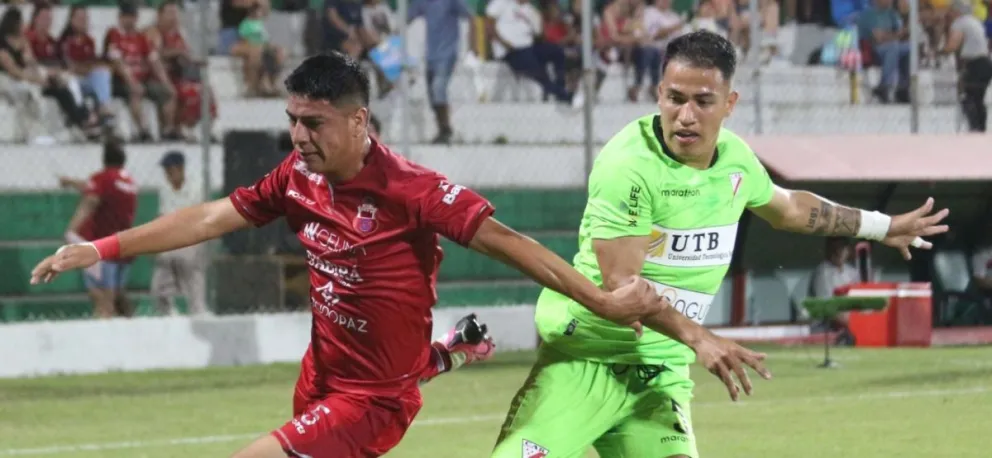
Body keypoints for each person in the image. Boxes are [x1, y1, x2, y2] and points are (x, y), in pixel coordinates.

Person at [27, 51, 729, 458]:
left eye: (315, 122)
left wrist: (602, 298)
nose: (298, 136)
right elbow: (212, 216)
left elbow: (510, 244)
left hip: (369, 402)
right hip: (323, 378)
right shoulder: (297, 178)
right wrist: (99, 246)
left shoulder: (413, 191)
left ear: (358, 119)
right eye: (292, 120)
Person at [491, 31, 949, 458]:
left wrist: (879, 226)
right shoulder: (627, 166)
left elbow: (789, 208)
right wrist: (700, 339)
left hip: (661, 371)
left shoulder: (735, 160)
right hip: (586, 358)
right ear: (659, 95)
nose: (685, 115)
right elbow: (622, 286)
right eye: (675, 99)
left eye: (702, 101)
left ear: (729, 103)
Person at [58, 140, 139, 319]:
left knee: (101, 296)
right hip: (124, 247)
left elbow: (91, 200)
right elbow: (93, 188)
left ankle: (106, 329)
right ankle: (129, 324)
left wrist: (71, 230)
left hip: (102, 247)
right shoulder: (129, 181)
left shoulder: (102, 179)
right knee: (116, 293)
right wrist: (70, 182)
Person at [408, 0, 473, 143]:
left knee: (438, 89)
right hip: (430, 54)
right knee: (432, 94)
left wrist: (472, 45)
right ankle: (442, 129)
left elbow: (470, 16)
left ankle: (446, 129)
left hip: (447, 53)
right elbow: (408, 17)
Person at [152, 151, 209, 316]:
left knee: (191, 272)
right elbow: (162, 216)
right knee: (159, 286)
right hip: (171, 239)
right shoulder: (165, 189)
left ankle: (198, 313)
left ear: (181, 169)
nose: (168, 174)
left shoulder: (196, 186)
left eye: (171, 170)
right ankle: (169, 315)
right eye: (166, 171)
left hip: (191, 238)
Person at [941, 0, 992, 132]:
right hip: (985, 63)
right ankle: (982, 128)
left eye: (951, 10)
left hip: (974, 63)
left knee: (967, 97)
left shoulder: (959, 23)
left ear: (957, 11)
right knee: (978, 98)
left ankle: (974, 128)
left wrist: (940, 51)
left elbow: (953, 45)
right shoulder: (976, 22)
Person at [808, 237, 860, 344]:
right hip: (824, 331)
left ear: (848, 250)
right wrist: (857, 323)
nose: (838, 252)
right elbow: (829, 309)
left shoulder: (852, 272)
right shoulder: (822, 272)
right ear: (828, 250)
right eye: (835, 248)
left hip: (848, 329)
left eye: (842, 248)